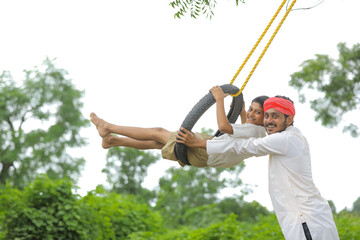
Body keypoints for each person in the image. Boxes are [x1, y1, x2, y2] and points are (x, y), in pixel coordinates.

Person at [176, 96, 339, 239]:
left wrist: (198, 143)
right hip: (310, 219)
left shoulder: (285, 139)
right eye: (266, 115)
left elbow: (243, 146)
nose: (268, 121)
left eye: (275, 116)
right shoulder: (292, 137)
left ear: (289, 120)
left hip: (307, 220)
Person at [90, 85, 268, 168]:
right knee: (159, 142)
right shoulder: (257, 133)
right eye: (251, 109)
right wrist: (242, 109)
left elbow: (223, 125)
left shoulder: (256, 131)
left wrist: (220, 100)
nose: (251, 114)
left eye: (257, 112)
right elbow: (246, 126)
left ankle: (108, 127)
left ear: (265, 117)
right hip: (209, 154)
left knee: (159, 132)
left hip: (207, 150)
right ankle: (112, 141)